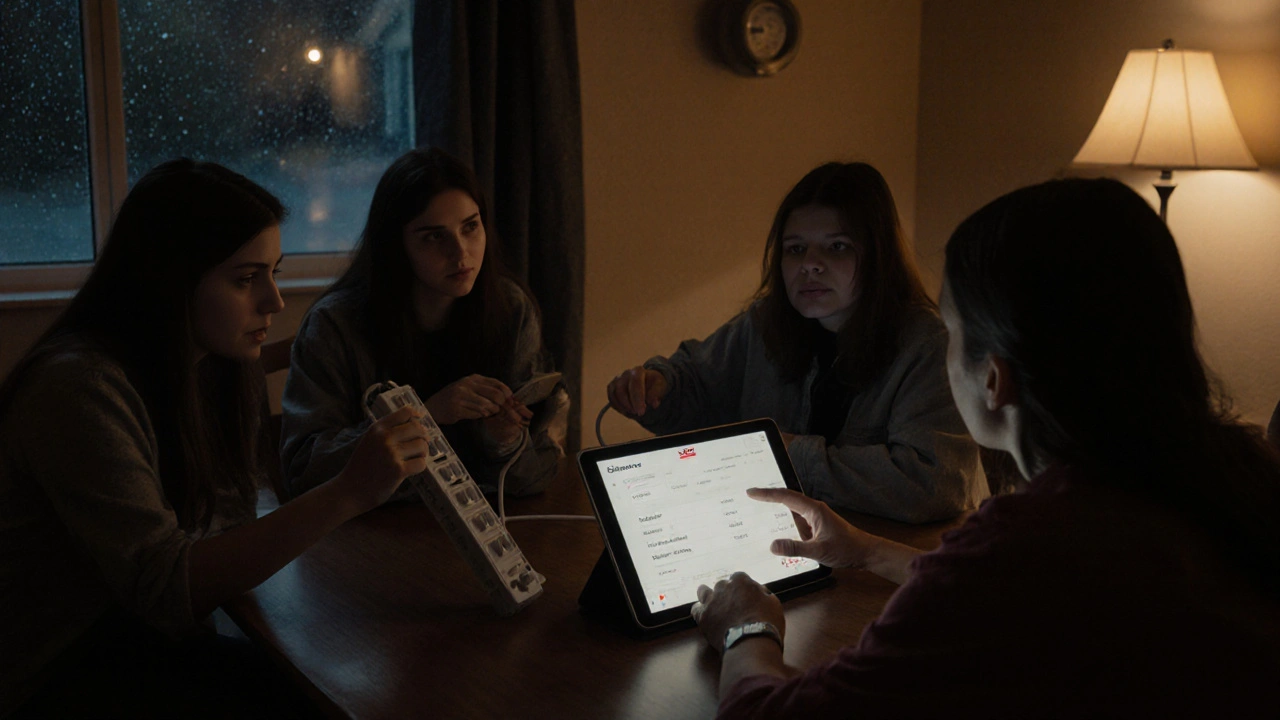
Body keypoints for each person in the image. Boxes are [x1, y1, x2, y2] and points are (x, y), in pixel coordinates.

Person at [690, 178, 1280, 717]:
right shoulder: (1230, 479)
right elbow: (1030, 592)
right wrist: (870, 552)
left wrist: (747, 630)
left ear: (994, 379)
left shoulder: (1032, 543)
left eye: (951, 333)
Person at [0, 160, 430, 717]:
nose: (274, 301)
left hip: (143, 646)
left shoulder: (209, 369)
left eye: (274, 272)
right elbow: (166, 590)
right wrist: (349, 491)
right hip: (58, 673)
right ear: (169, 279)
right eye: (247, 278)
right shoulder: (78, 388)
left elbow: (226, 521)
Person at [607, 162, 986, 523]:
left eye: (836, 246)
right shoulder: (763, 324)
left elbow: (932, 484)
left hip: (884, 560)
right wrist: (658, 388)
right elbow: (697, 386)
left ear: (877, 256)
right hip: (772, 539)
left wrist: (788, 455)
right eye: (795, 249)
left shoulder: (926, 345)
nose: (810, 264)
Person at [281, 148, 566, 502]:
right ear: (396, 245)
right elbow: (304, 472)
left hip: (478, 531)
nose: (461, 254)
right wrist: (424, 416)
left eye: (471, 227)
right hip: (366, 536)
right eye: (434, 236)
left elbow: (535, 476)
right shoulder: (334, 326)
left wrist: (503, 441)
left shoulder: (511, 309)